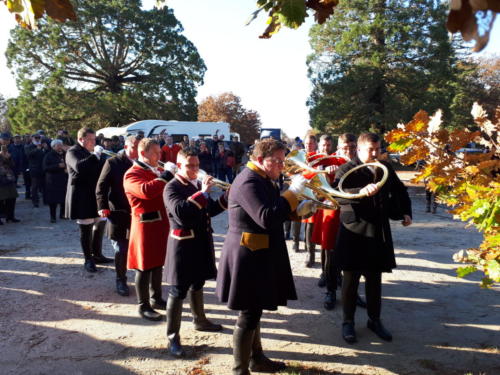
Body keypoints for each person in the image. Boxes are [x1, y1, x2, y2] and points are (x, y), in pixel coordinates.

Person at [216, 138, 314, 375]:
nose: (282, 166)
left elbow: (273, 209)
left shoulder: (263, 178)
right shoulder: (248, 181)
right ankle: (240, 369)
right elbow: (266, 216)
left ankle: (256, 359)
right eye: (277, 161)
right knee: (248, 313)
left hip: (258, 252)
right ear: (260, 160)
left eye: (283, 160)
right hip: (247, 255)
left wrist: (298, 211)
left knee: (255, 309)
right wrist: (292, 193)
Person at [334, 133, 412, 344]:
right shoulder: (346, 169)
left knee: (374, 279)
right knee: (350, 280)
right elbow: (336, 194)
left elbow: (399, 191)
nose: (376, 153)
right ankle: (347, 322)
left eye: (378, 149)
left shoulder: (384, 168)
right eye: (371, 149)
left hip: (377, 230)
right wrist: (360, 191)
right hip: (354, 230)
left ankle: (374, 320)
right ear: (359, 149)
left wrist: (406, 212)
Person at [163, 147, 228, 357]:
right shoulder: (171, 187)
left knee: (198, 282)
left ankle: (200, 320)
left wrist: (226, 198)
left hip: (200, 241)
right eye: (190, 165)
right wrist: (203, 193)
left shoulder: (195, 185)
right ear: (179, 165)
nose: (195, 169)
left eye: (197, 165)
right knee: (178, 291)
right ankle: (172, 337)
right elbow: (182, 213)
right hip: (182, 245)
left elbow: (208, 210)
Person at [124, 138, 177, 321]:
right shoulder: (132, 173)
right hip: (144, 225)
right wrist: (166, 176)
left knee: (157, 263)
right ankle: (143, 305)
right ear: (143, 153)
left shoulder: (156, 171)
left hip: (160, 223)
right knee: (143, 266)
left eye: (159, 152)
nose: (159, 156)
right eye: (155, 153)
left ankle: (156, 297)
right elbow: (146, 191)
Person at [96, 135, 139, 297]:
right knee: (121, 248)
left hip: (138, 213)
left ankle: (144, 279)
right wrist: (102, 206)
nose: (138, 150)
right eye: (135, 147)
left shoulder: (144, 164)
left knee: (138, 247)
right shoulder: (113, 162)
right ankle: (120, 279)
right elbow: (101, 186)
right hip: (118, 212)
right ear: (127, 146)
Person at [65, 127, 112, 273]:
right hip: (81, 195)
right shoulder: (72, 151)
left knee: (99, 224)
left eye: (94, 139)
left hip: (95, 193)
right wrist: (95, 155)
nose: (93, 142)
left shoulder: (92, 152)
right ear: (81, 139)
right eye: (90, 139)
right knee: (86, 229)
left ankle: (97, 254)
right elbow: (80, 167)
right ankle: (88, 259)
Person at [43, 139, 68, 223]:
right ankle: (52, 217)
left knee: (64, 199)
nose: (60, 147)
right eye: (58, 145)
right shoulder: (48, 155)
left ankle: (63, 214)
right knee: (53, 201)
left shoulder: (65, 154)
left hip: (63, 179)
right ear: (53, 147)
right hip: (52, 181)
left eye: (61, 145)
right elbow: (45, 168)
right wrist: (57, 166)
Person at [25, 134, 46, 208]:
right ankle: (35, 201)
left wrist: (45, 148)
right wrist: (37, 149)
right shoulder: (28, 146)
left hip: (43, 168)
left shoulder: (43, 145)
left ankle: (45, 200)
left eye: (39, 138)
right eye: (36, 138)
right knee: (35, 186)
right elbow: (28, 155)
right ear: (32, 139)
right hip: (34, 169)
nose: (37, 139)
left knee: (44, 185)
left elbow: (47, 155)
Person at [0, 145, 20, 224]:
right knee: (1, 200)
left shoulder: (7, 156)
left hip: (9, 179)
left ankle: (10, 216)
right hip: (1, 181)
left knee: (12, 198)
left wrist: (8, 158)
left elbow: (12, 165)